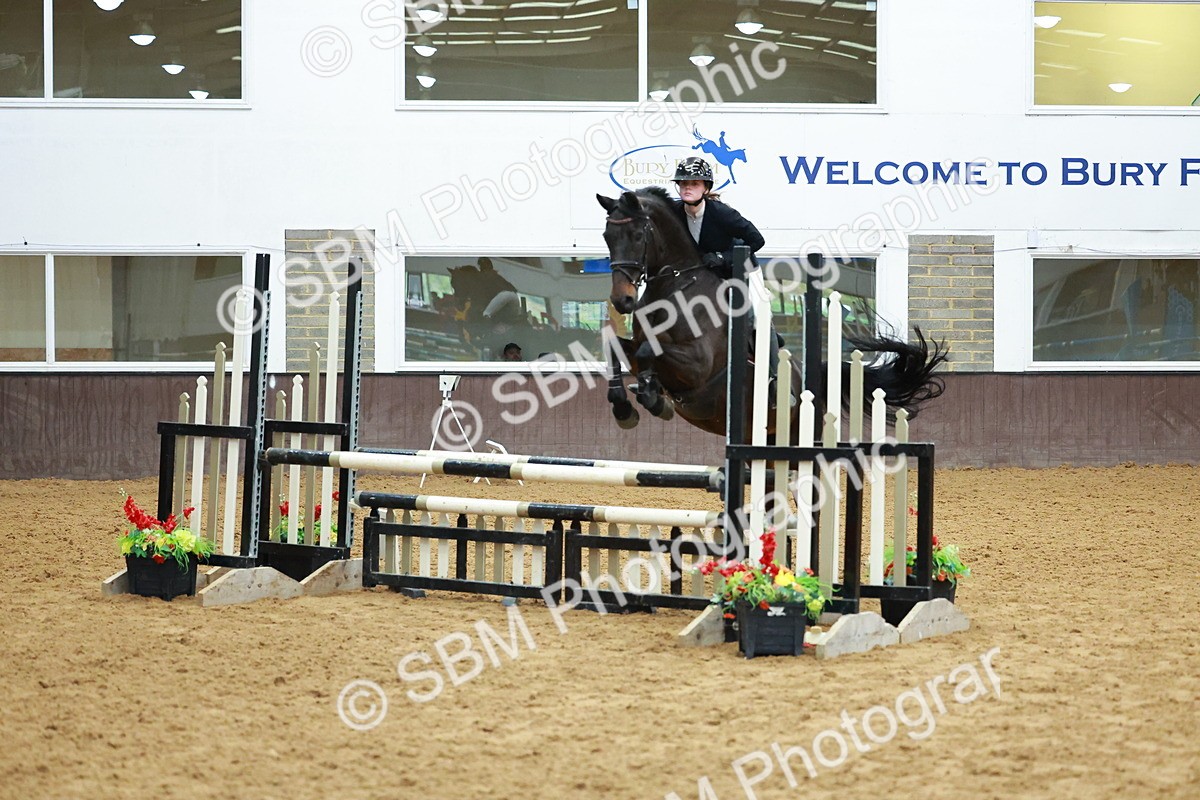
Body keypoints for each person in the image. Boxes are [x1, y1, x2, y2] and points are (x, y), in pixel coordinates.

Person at [671, 157, 789, 406]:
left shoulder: (721, 213)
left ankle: (776, 382)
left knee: (759, 316)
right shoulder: (674, 212)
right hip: (706, 276)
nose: (687, 188)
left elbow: (756, 239)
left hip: (742, 270)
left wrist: (724, 257)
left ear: (705, 187)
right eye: (682, 183)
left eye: (693, 183)